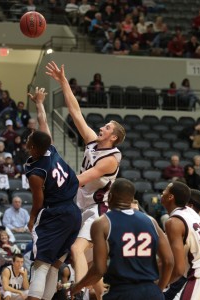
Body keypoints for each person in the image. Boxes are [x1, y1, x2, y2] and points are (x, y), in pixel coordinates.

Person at [46, 61, 125, 299]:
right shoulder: (93, 142)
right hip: (80, 206)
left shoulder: (112, 158)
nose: (102, 127)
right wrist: (62, 82)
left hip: (97, 210)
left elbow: (83, 178)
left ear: (114, 137)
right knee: (92, 267)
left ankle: (77, 294)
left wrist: (58, 184)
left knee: (76, 249)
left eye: (107, 127)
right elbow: (76, 112)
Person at [70, 178, 174, 299]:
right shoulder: (151, 221)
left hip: (122, 291)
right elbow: (169, 261)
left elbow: (99, 269)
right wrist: (159, 289)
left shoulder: (102, 223)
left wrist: (78, 287)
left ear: (110, 197)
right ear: (131, 199)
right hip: (151, 291)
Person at [25, 87, 82, 300]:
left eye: (30, 139)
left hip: (55, 214)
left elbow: (38, 201)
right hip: (73, 213)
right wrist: (39, 103)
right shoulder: (50, 148)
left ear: (32, 147)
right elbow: (43, 123)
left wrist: (32, 219)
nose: (28, 138)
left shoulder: (36, 172)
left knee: (40, 265)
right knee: (54, 266)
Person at [161, 181, 200, 299]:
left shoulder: (173, 222)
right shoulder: (191, 213)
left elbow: (179, 269)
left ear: (170, 197)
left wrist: (160, 286)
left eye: (165, 190)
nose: (162, 192)